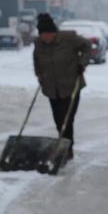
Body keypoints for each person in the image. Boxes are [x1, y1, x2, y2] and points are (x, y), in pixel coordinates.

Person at [33, 13, 91, 160]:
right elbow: (36, 60)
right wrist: (40, 75)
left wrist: (82, 64)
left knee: (67, 119)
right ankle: (64, 144)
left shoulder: (69, 39)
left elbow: (87, 46)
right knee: (58, 120)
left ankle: (68, 149)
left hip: (71, 85)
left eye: (47, 34)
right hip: (51, 88)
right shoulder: (38, 43)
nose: (45, 38)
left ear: (53, 32)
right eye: (42, 35)